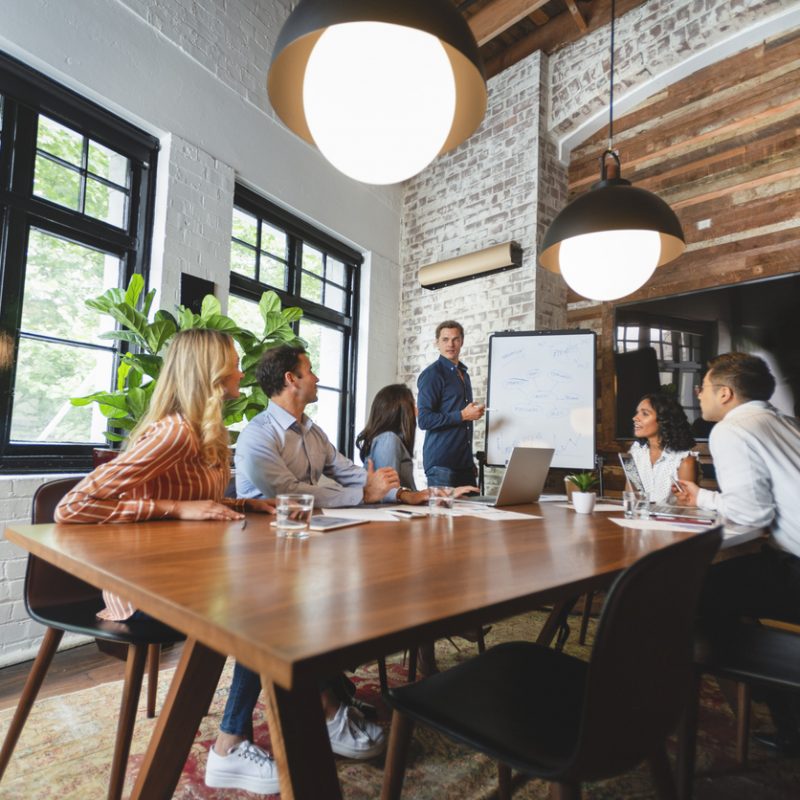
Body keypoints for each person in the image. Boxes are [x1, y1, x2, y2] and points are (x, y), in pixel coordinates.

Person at [55, 330, 285, 793]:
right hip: (142, 588)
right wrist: (171, 509)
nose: (241, 371)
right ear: (211, 370)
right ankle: (230, 747)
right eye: (234, 363)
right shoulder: (175, 431)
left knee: (276, 597)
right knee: (267, 611)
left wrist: (243, 506)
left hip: (185, 576)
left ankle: (324, 710)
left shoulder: (205, 430)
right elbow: (72, 508)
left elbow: (197, 502)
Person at [674, 352, 800, 753]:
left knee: (687, 592)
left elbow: (751, 515)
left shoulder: (732, 430)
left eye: (704, 386)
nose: (699, 393)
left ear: (725, 393)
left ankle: (771, 692)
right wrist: (706, 498)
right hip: (785, 559)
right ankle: (777, 700)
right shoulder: (784, 423)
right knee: (726, 588)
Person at [235, 345, 400, 506]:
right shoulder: (257, 434)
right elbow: (287, 492)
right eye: (310, 371)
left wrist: (399, 494)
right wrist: (364, 494)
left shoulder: (313, 432)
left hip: (305, 522)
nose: (317, 378)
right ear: (291, 379)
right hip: (262, 527)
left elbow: (347, 472)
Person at [356, 383, 477, 505]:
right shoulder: (388, 439)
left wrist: (443, 495)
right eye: (412, 405)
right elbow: (386, 493)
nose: (417, 411)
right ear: (400, 410)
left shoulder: (391, 440)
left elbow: (407, 495)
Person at [417, 320, 484, 488]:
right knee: (442, 515)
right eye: (445, 339)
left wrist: (469, 461)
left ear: (462, 341)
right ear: (437, 343)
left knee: (471, 514)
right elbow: (424, 420)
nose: (450, 344)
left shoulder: (463, 374)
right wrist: (463, 415)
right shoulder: (432, 375)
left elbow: (462, 425)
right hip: (442, 465)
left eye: (455, 339)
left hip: (464, 465)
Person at [629, 392, 697, 503]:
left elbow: (686, 508)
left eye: (645, 414)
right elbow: (631, 497)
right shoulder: (636, 452)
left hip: (669, 520)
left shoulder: (684, 461)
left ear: (663, 420)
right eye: (637, 413)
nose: (635, 418)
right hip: (638, 518)